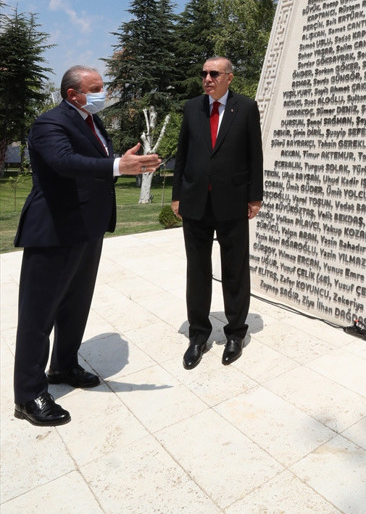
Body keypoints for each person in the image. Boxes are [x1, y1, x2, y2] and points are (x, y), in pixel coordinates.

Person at [13, 65, 162, 427]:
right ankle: (29, 394)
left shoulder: (92, 122)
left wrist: (120, 161)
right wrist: (115, 165)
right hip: (54, 231)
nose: (103, 93)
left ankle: (64, 365)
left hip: (87, 229)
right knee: (38, 315)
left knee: (75, 305)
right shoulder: (49, 123)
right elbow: (64, 162)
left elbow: (93, 162)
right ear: (72, 94)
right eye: (95, 88)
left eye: (103, 87)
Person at [171, 57, 263, 369]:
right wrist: (176, 196)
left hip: (233, 202)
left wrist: (255, 197)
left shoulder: (246, 108)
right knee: (196, 271)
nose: (207, 79)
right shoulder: (192, 107)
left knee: (235, 270)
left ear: (229, 78)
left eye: (214, 74)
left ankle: (235, 333)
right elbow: (182, 154)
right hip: (195, 203)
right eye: (204, 74)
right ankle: (198, 335)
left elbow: (255, 155)